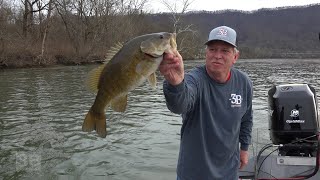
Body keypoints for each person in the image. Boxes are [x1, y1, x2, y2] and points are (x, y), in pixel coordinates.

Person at [159, 26, 253, 180]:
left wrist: (244, 148)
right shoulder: (194, 80)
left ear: (235, 57)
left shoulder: (244, 83)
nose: (217, 55)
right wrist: (176, 84)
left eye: (225, 51)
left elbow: (246, 118)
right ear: (206, 53)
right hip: (193, 173)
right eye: (212, 49)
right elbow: (179, 105)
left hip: (229, 172)